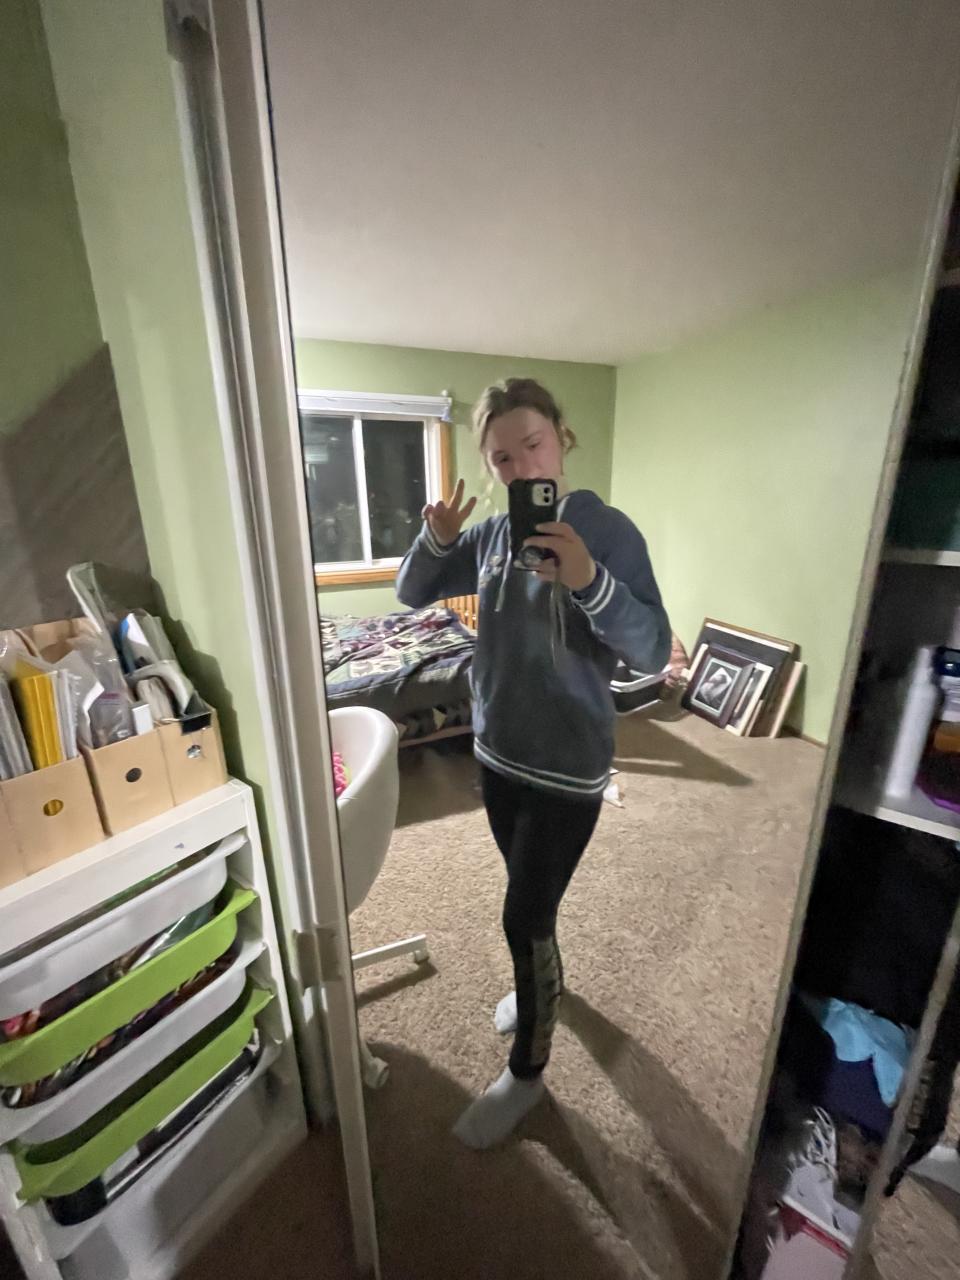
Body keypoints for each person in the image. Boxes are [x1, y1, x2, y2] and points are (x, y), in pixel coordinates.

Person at [396, 377, 671, 1148]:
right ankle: (542, 981)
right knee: (531, 906)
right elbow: (412, 592)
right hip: (497, 753)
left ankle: (526, 1075)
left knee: (522, 914)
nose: (521, 467)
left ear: (562, 439)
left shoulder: (606, 532)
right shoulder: (490, 538)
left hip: (568, 767)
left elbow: (653, 650)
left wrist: (588, 580)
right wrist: (436, 538)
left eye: (533, 445)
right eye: (502, 458)